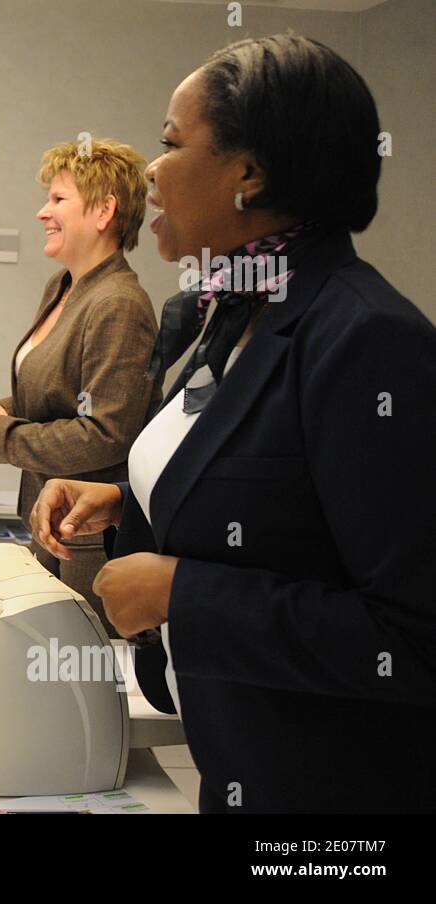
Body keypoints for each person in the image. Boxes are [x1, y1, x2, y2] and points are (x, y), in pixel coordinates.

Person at [30, 34, 436, 813]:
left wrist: (184, 593)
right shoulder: (236, 312)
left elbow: (413, 637)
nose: (153, 169)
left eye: (171, 143)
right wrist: (124, 499)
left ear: (249, 174)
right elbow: (276, 487)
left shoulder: (365, 337)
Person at [0, 139, 160, 636]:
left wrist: (2, 435)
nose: (43, 212)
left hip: (87, 544)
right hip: (48, 524)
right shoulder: (63, 287)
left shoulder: (119, 305)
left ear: (104, 210)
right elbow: (49, 398)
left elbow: (107, 435)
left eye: (58, 199)